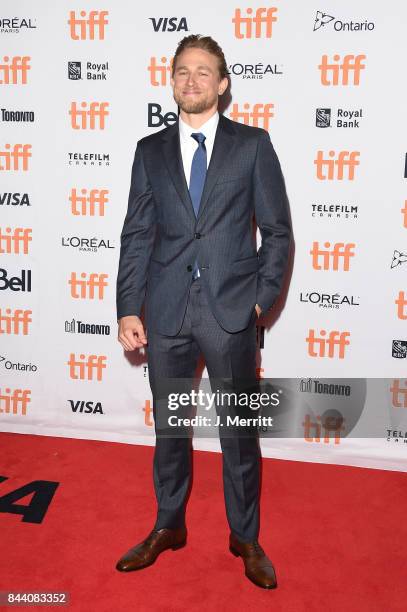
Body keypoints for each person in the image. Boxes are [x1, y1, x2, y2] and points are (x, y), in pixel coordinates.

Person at [115, 34, 291, 589]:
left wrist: (261, 298)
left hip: (231, 312)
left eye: (203, 72)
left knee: (239, 432)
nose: (191, 81)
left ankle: (245, 536)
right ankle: (168, 526)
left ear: (222, 84)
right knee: (171, 429)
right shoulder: (150, 151)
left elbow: (279, 232)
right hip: (166, 312)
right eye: (182, 71)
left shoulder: (252, 145)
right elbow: (136, 234)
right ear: (172, 81)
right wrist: (127, 307)